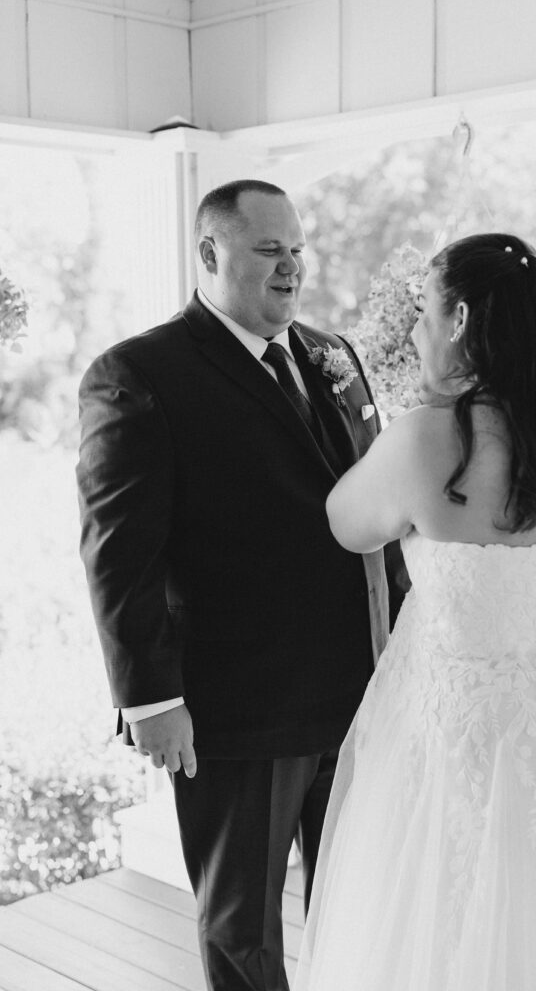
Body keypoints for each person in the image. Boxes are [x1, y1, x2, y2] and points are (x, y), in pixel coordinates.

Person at [294, 235, 536, 991]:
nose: (413, 332)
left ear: (462, 317)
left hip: (462, 753)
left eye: (423, 314)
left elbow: (346, 523)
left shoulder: (425, 441)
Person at [76, 179, 392, 991]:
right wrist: (150, 698)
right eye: (268, 249)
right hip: (236, 703)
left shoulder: (334, 354)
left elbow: (373, 500)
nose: (291, 267)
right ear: (210, 253)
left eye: (296, 249)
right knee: (242, 925)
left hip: (359, 691)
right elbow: (119, 551)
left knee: (357, 901)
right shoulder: (140, 372)